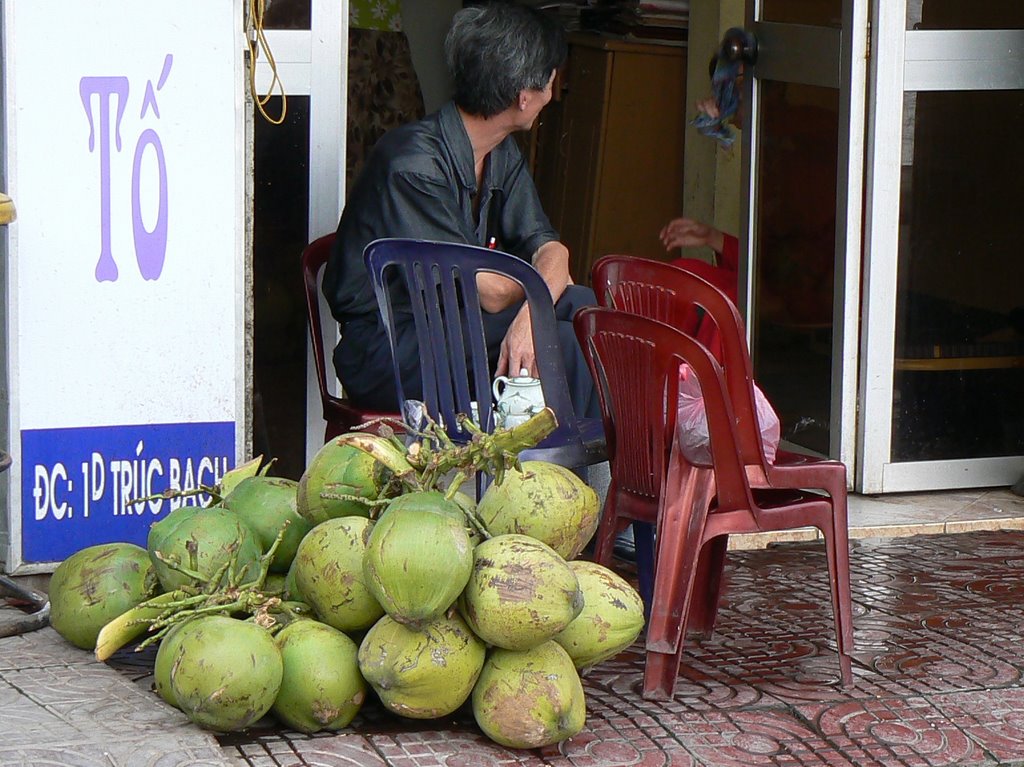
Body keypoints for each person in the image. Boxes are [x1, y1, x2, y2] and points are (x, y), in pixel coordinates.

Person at [323, 1, 599, 420]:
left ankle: (578, 470)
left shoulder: (498, 152)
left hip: (453, 327)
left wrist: (530, 314)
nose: (552, 92)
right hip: (392, 346)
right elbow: (487, 292)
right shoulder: (412, 164)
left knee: (584, 309)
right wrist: (539, 296)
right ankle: (567, 478)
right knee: (563, 340)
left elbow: (553, 250)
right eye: (549, 80)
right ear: (524, 97)